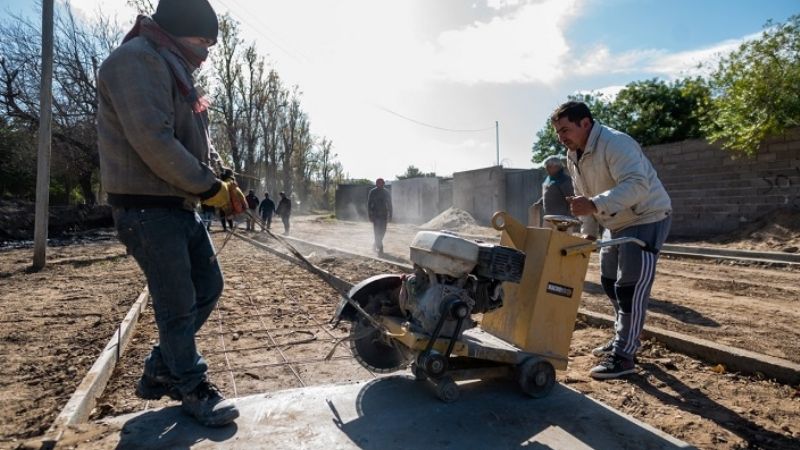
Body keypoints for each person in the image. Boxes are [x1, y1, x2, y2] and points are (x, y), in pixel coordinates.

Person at [96, 0, 242, 427]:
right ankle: (191, 386)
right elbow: (155, 142)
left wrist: (221, 177)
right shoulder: (135, 62)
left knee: (208, 286)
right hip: (146, 207)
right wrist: (210, 188)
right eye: (202, 40)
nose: (207, 51)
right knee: (176, 304)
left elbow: (192, 135)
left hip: (178, 202)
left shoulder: (173, 67)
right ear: (177, 30)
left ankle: (163, 364)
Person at [551, 101, 672, 380]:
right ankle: (624, 337)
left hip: (646, 217)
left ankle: (624, 355)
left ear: (586, 123)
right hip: (614, 222)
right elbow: (583, 198)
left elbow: (637, 185)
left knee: (630, 287)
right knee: (608, 281)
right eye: (558, 132)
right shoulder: (573, 156)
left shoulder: (616, 143)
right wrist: (589, 231)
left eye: (565, 129)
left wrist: (593, 205)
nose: (562, 137)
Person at [532, 156, 574, 226]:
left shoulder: (565, 180)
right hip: (549, 217)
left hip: (562, 219)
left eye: (549, 167)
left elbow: (571, 199)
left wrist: (568, 219)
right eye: (546, 167)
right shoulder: (548, 179)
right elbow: (548, 194)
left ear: (557, 167)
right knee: (546, 236)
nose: (546, 169)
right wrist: (539, 202)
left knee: (560, 237)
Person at [367, 178, 392, 254]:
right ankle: (380, 248)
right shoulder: (372, 192)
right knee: (377, 231)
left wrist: (390, 215)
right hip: (375, 215)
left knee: (383, 231)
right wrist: (370, 215)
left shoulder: (386, 192)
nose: (380, 184)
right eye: (379, 183)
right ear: (376, 184)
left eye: (382, 183)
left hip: (384, 215)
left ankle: (376, 243)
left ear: (384, 183)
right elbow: (369, 204)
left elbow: (390, 204)